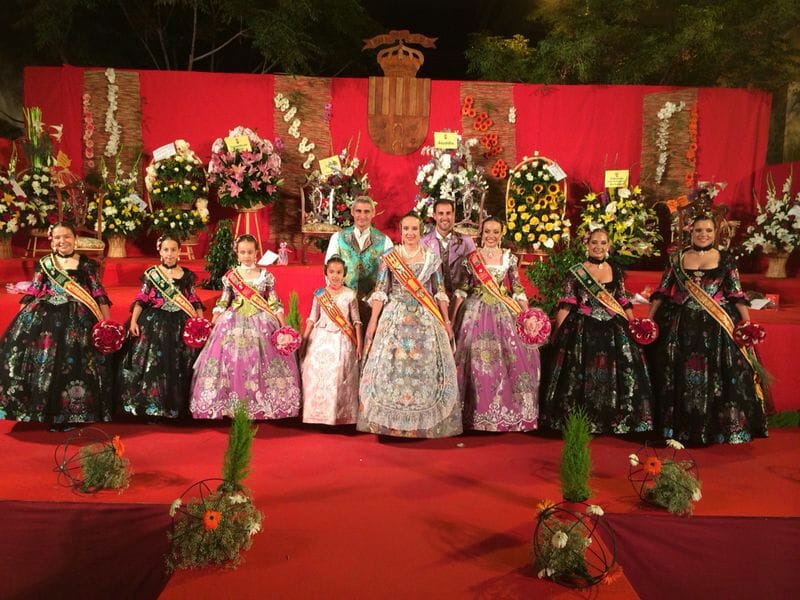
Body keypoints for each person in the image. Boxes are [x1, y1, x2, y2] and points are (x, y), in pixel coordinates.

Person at [647, 215, 767, 445]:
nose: (703, 234)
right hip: (681, 326)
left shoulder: (726, 260)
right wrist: (648, 321)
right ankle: (677, 428)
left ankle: (716, 429)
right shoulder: (676, 259)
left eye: (708, 230)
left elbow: (736, 294)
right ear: (690, 233)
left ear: (715, 233)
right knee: (678, 374)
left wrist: (746, 324)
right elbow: (662, 291)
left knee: (719, 375)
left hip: (716, 327)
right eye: (699, 230)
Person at [540, 228, 654, 434]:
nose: (598, 247)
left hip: (613, 327)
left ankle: (614, 419)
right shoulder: (575, 272)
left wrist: (634, 324)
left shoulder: (616, 270)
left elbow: (621, 299)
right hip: (582, 327)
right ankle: (580, 418)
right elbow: (566, 304)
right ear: (587, 245)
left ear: (608, 246)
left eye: (602, 243)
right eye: (594, 243)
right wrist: (557, 333)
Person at [358, 212, 461, 438]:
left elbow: (440, 291)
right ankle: (390, 423)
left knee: (424, 367)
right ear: (401, 231)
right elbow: (380, 290)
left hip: (425, 318)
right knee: (391, 367)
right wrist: (374, 321)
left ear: (421, 231)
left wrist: (446, 321)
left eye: (415, 229)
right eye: (406, 229)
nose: (410, 233)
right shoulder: (390, 256)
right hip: (395, 316)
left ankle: (422, 425)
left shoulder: (431, 257)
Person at [0, 221, 112, 427]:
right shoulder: (44, 263)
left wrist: (107, 323)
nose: (63, 241)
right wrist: (19, 322)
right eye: (58, 237)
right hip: (45, 317)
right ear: (52, 241)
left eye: (67, 237)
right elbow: (34, 291)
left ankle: (72, 411)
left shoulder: (86, 264)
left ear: (75, 239)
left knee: (74, 363)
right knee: (46, 361)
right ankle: (44, 410)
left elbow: (98, 293)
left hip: (77, 318)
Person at [190, 234, 301, 420]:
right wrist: (216, 317)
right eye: (243, 252)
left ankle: (265, 404)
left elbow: (273, 301)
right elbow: (224, 300)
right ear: (237, 254)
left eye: (250, 252)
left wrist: (282, 323)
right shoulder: (230, 276)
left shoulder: (266, 276)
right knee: (231, 361)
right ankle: (227, 404)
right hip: (233, 321)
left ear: (256, 252)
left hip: (262, 320)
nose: (247, 256)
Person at [451, 217, 539, 432]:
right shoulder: (471, 258)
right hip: (475, 312)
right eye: (487, 231)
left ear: (501, 234)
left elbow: (517, 288)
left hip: (502, 312)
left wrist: (526, 315)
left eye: (495, 231)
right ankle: (473, 413)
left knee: (509, 359)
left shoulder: (508, 258)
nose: (491, 236)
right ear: (481, 233)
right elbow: (463, 290)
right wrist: (452, 320)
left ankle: (504, 414)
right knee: (474, 361)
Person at [116, 235, 205, 419]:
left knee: (179, 362)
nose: (170, 253)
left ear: (179, 251)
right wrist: (133, 321)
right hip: (154, 324)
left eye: (173, 249)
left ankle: (177, 407)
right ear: (160, 251)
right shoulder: (152, 274)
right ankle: (152, 406)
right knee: (153, 363)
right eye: (166, 250)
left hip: (181, 323)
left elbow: (194, 301)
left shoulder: (187, 275)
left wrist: (200, 323)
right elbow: (141, 299)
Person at [300, 257, 362, 425]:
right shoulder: (320, 294)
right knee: (313, 368)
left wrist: (359, 345)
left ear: (344, 274)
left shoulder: (350, 295)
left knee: (338, 371)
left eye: (339, 272)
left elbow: (356, 322)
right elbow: (312, 318)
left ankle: (338, 416)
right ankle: (316, 415)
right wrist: (304, 340)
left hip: (343, 339)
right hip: (320, 336)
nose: (335, 276)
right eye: (332, 272)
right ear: (326, 273)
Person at [324, 196, 393, 322]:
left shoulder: (385, 241)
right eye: (358, 211)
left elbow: (389, 275)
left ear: (373, 213)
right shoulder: (338, 238)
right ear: (352, 212)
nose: (362, 215)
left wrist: (377, 300)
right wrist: (336, 298)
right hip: (344, 302)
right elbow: (329, 270)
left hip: (372, 304)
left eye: (366, 211)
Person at [421, 198, 476, 318]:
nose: (445, 217)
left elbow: (474, 273)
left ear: (453, 215)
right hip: (433, 297)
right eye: (441, 213)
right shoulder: (423, 242)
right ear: (434, 215)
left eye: (448, 213)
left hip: (462, 298)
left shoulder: (466, 241)